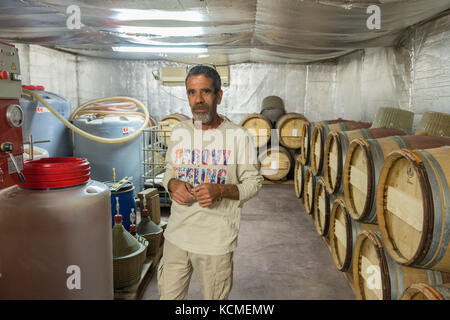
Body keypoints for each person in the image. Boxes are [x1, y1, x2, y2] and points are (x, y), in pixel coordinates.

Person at [158, 65, 263, 300]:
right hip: (176, 236)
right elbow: (168, 172)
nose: (198, 100)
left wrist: (221, 190)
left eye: (205, 92)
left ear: (219, 95)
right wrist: (174, 185)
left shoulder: (238, 136)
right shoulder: (179, 132)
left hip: (215, 242)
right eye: (192, 93)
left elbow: (253, 183)